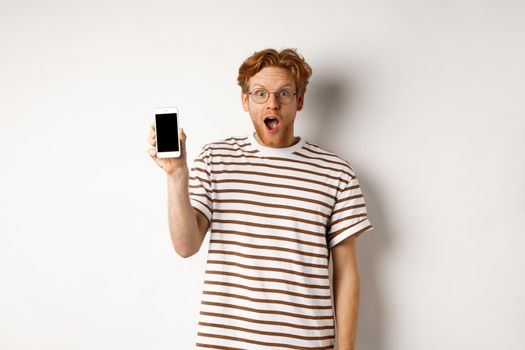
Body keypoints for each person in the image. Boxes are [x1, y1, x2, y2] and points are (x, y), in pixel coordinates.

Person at [147, 48, 374, 350]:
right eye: (260, 93)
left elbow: (346, 274)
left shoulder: (336, 172)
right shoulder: (216, 159)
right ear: (245, 101)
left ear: (300, 101)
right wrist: (176, 176)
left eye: (284, 94)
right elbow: (186, 246)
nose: (273, 104)